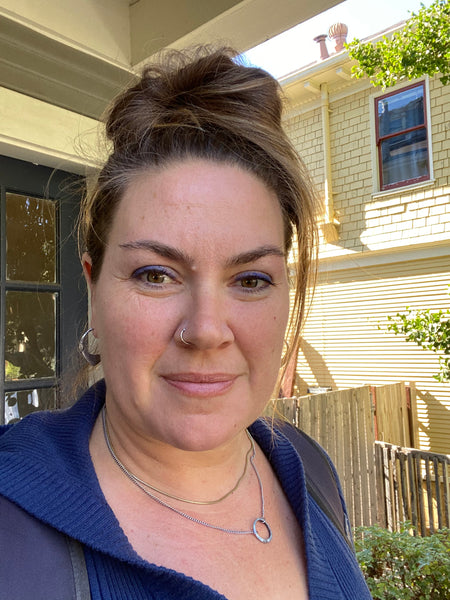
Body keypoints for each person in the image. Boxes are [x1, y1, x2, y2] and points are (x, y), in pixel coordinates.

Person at [0, 47, 372, 599]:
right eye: (156, 275)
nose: (205, 330)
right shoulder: (12, 525)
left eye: (251, 280)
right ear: (93, 290)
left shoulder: (310, 470)